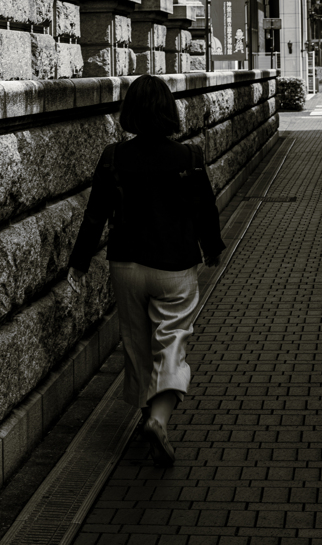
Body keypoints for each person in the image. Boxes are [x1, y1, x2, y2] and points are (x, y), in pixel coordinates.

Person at [66, 74, 225, 467]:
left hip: (127, 265)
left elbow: (95, 215)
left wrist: (80, 260)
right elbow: (204, 209)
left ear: (130, 112)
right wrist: (212, 249)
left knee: (137, 348)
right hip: (174, 267)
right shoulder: (189, 158)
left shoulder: (114, 157)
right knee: (171, 345)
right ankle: (158, 418)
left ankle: (144, 418)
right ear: (169, 111)